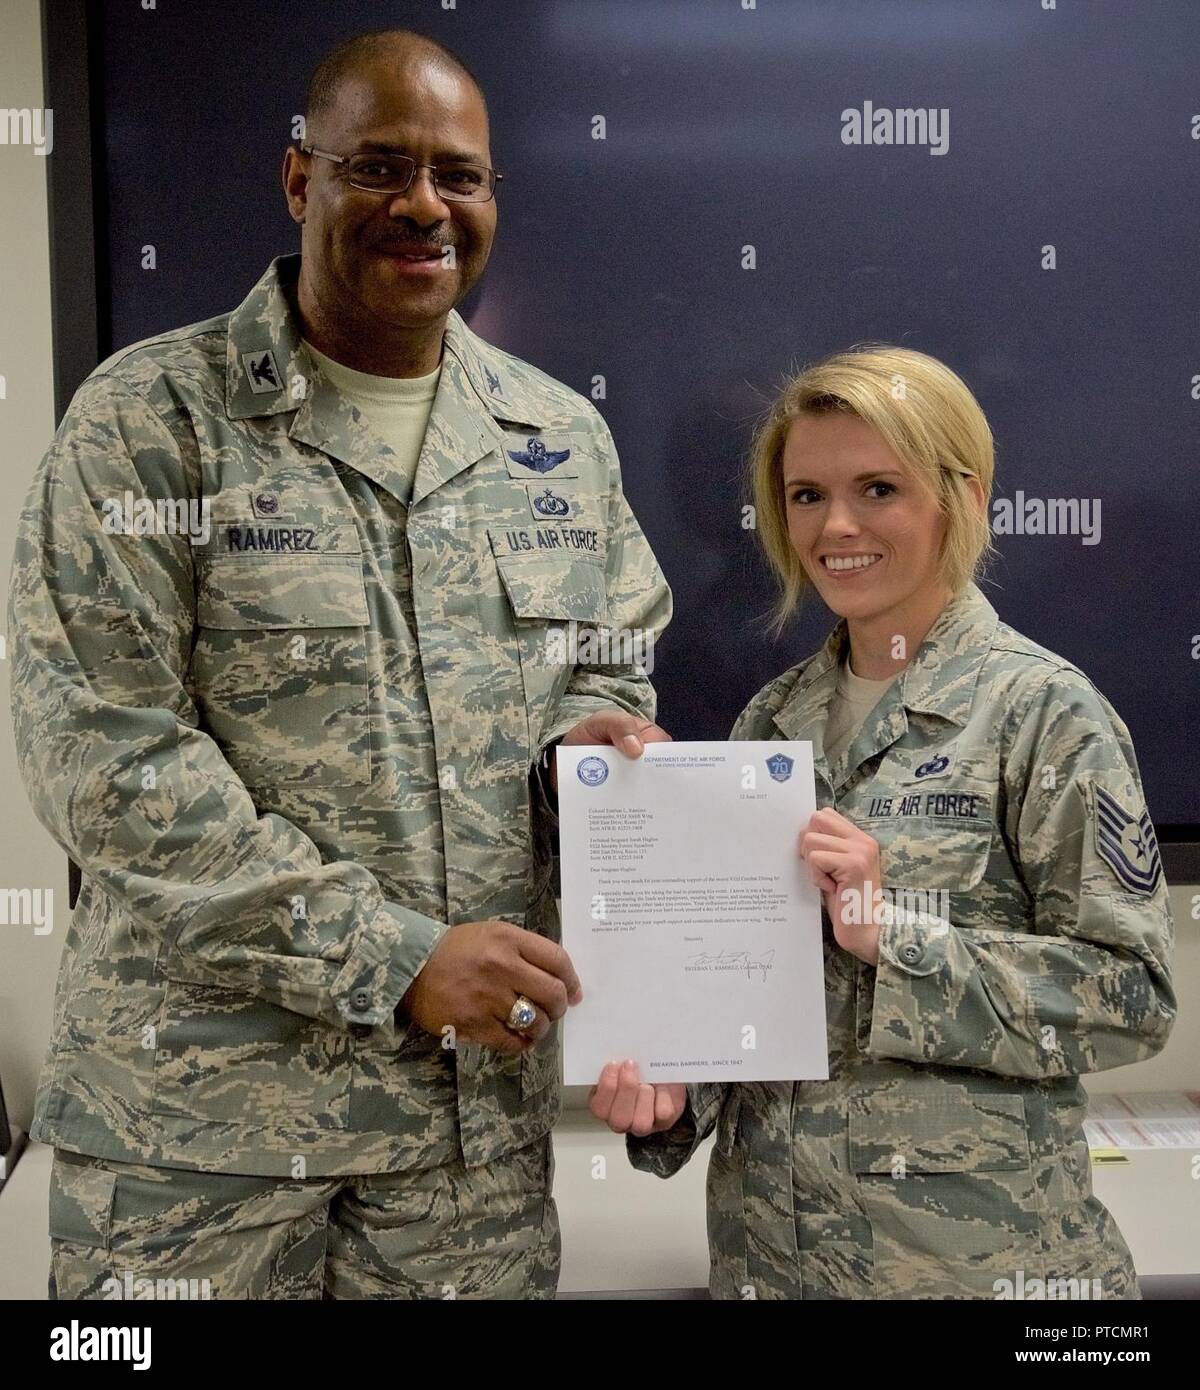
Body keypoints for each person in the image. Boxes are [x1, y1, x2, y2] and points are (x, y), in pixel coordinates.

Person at [10, 28, 670, 1300]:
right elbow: (107, 764)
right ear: (299, 180)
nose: (424, 204)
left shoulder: (558, 437)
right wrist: (396, 957)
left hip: (462, 1165)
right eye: (379, 166)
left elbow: (611, 664)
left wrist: (595, 743)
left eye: (458, 175)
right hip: (197, 1158)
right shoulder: (149, 425)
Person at [592, 344, 1175, 1300]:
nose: (838, 525)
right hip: (772, 1266)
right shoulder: (768, 723)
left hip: (978, 1276)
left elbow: (1133, 999)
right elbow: (749, 1005)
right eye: (807, 495)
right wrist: (669, 1099)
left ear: (963, 498)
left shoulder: (1043, 713)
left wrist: (893, 937)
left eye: (878, 488)